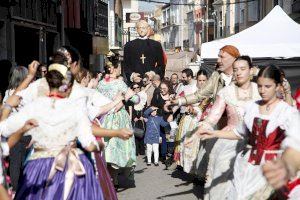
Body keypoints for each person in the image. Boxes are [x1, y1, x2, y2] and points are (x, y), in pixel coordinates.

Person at [195, 65, 300, 199]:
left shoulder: (287, 112)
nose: (262, 90)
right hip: (247, 165)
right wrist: (215, 134)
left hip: (271, 168)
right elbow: (239, 133)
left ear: (278, 86)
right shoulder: (253, 107)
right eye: (260, 86)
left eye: (267, 86)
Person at [1, 64, 104, 199]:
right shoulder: (76, 108)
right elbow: (89, 143)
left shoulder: (34, 107)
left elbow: (4, 128)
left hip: (40, 167)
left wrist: (8, 107)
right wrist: (100, 145)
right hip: (73, 167)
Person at [96, 60, 137, 188]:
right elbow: (135, 99)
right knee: (115, 150)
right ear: (113, 69)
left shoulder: (100, 84)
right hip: (118, 119)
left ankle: (107, 178)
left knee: (106, 148)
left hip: (102, 117)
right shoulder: (120, 83)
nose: (120, 69)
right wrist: (126, 98)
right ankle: (113, 179)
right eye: (118, 67)